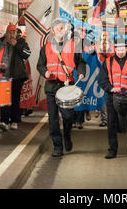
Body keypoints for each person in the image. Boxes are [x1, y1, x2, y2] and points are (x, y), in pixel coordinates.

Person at [36, 18, 86, 157]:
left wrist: (81, 72)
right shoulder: (45, 48)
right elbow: (40, 65)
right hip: (51, 86)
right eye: (58, 28)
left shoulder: (72, 46)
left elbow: (80, 62)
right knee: (53, 119)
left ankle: (67, 136)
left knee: (68, 116)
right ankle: (57, 146)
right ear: (52, 31)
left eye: (63, 28)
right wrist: (44, 72)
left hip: (67, 86)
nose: (61, 30)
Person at [98, 42, 127, 159]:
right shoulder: (107, 62)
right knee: (111, 124)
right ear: (115, 49)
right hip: (112, 96)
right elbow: (102, 80)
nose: (120, 52)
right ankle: (112, 150)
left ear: (126, 49)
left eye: (122, 49)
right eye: (118, 50)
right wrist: (111, 88)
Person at [0, 24, 31, 131]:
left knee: (15, 99)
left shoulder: (21, 42)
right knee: (4, 99)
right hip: (3, 75)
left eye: (14, 32)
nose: (12, 34)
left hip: (17, 75)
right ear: (6, 33)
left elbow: (27, 54)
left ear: (16, 33)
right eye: (10, 32)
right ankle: (4, 121)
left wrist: (16, 45)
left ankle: (14, 120)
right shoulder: (0, 42)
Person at [95, 29, 114, 127]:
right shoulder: (96, 47)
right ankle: (104, 119)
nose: (105, 37)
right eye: (103, 35)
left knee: (110, 98)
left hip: (111, 76)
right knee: (102, 98)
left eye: (107, 35)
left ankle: (111, 119)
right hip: (99, 75)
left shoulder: (113, 47)